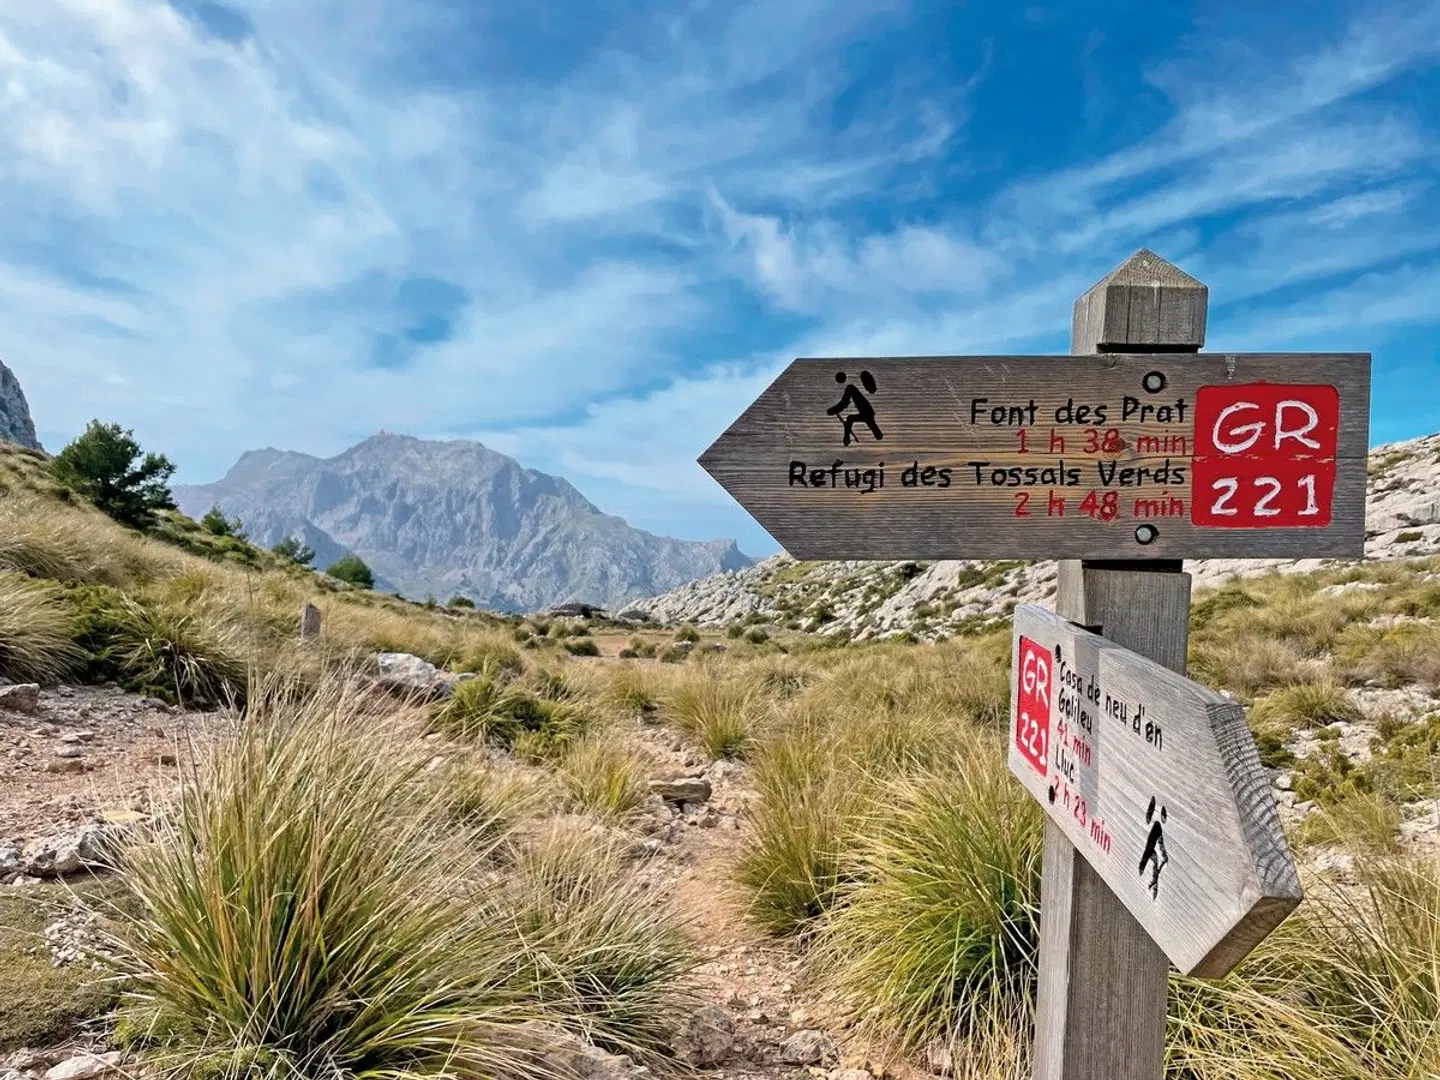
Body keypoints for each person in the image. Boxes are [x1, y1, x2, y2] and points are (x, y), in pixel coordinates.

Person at [826, 370, 883, 446]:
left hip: (866, 411)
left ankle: (842, 405)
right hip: (866, 411)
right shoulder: (870, 418)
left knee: (850, 388)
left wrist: (846, 436)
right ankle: (842, 405)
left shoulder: (869, 417)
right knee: (852, 417)